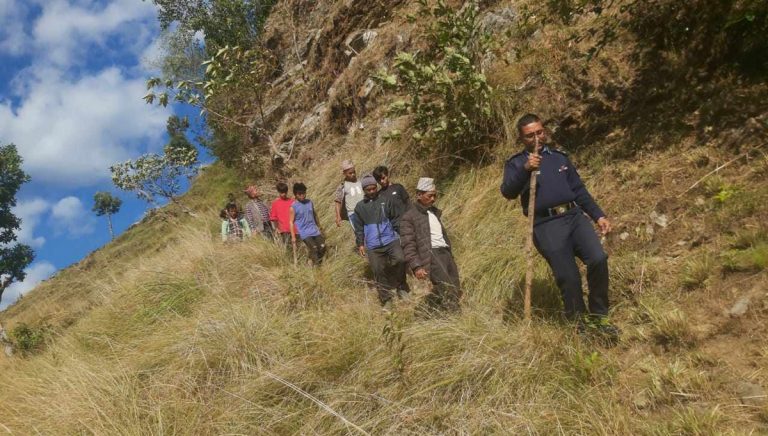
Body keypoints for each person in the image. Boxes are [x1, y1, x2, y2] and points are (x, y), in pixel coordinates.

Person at [500, 113, 618, 338]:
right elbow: (508, 192)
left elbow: (579, 190)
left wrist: (598, 215)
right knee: (569, 276)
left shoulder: (559, 158)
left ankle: (600, 317)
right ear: (521, 138)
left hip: (574, 217)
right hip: (546, 224)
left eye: (539, 132)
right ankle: (580, 325)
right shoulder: (516, 163)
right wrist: (526, 169)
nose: (536, 138)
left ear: (544, 131)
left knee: (598, 259)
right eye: (530, 136)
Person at [400, 177, 461, 313]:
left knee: (455, 285)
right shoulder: (409, 217)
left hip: (445, 253)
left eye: (435, 195)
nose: (433, 199)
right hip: (432, 255)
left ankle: (445, 315)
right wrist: (416, 266)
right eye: (430, 196)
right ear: (419, 195)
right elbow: (407, 244)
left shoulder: (434, 212)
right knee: (446, 287)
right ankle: (452, 318)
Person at [353, 174, 409, 309]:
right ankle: (386, 299)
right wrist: (360, 243)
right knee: (378, 270)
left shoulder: (386, 200)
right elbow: (358, 228)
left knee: (400, 260)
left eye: (373, 188)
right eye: (368, 190)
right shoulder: (360, 207)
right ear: (364, 190)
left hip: (390, 239)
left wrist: (401, 234)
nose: (372, 192)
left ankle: (401, 286)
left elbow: (395, 219)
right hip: (373, 245)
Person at [289, 183, 326, 266]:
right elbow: (291, 222)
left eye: (303, 193)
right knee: (314, 248)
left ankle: (311, 262)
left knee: (322, 246)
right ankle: (317, 268)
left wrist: (319, 226)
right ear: (295, 194)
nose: (302, 195)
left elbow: (314, 214)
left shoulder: (309, 202)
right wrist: (293, 237)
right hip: (305, 233)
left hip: (314, 230)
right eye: (299, 194)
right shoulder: (293, 207)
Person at [334, 160, 364, 232]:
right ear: (344, 173)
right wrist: (338, 216)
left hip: (365, 210)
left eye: (354, 172)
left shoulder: (360, 182)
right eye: (350, 173)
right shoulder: (342, 186)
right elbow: (337, 202)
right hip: (353, 214)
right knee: (360, 234)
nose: (353, 174)